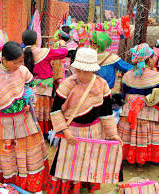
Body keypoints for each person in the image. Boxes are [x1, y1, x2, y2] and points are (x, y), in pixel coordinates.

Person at [46, 48, 122, 194]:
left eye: (85, 71)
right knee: (68, 164)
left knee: (88, 163)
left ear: (93, 70)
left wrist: (113, 134)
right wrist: (65, 130)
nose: (80, 74)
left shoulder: (102, 85)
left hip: (94, 131)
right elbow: (55, 110)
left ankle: (83, 188)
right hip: (72, 133)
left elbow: (106, 113)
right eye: (78, 70)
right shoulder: (67, 84)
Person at [0, 41, 49, 193]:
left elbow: (32, 86)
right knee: (6, 157)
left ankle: (31, 187)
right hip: (1, 124)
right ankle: (6, 188)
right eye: (16, 62)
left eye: (21, 61)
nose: (19, 65)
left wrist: (31, 100)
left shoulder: (23, 71)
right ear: (4, 59)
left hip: (24, 120)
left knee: (29, 155)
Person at [118, 43, 159, 167]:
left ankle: (128, 159)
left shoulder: (127, 75)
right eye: (153, 57)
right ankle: (144, 162)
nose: (155, 59)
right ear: (149, 59)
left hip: (128, 114)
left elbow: (123, 95)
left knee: (128, 136)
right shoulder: (156, 77)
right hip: (148, 114)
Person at [22, 30, 68, 137]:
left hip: (28, 88)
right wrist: (63, 45)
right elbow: (63, 53)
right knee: (44, 110)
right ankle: (43, 132)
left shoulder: (21, 52)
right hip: (44, 88)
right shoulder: (44, 52)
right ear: (36, 40)